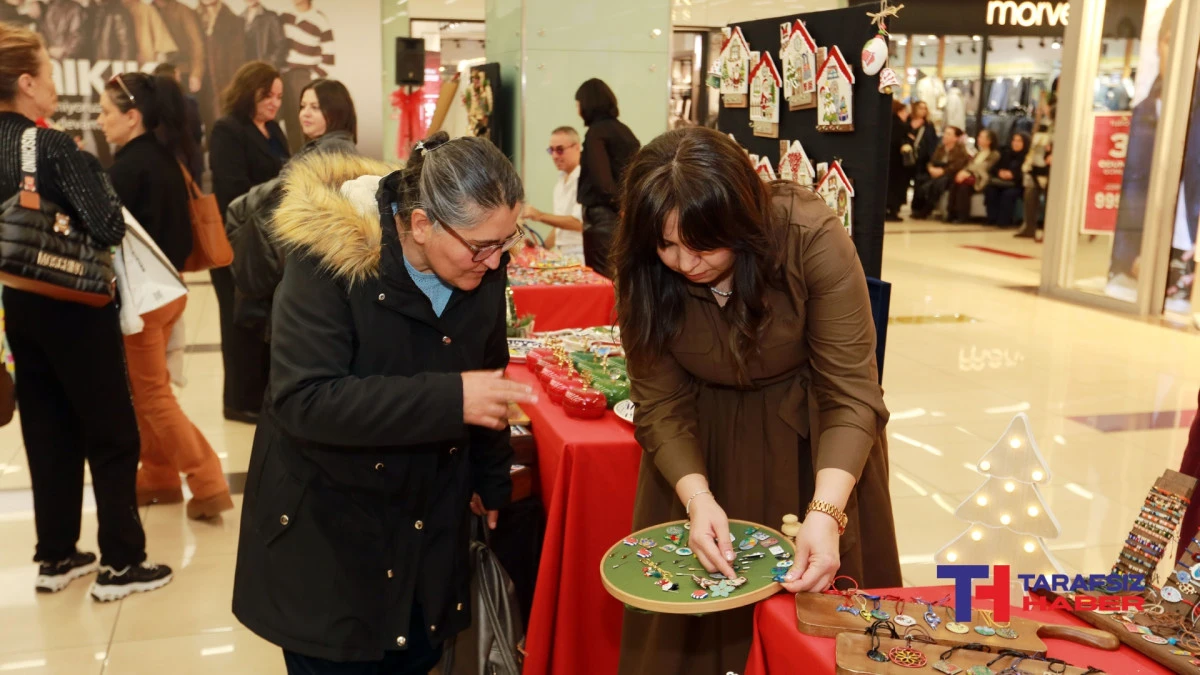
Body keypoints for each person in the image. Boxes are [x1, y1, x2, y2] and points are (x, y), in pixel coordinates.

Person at [232, 131, 534, 673]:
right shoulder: (328, 257)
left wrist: (490, 480)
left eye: (506, 242)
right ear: (421, 224)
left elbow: (487, 372)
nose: (494, 262)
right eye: (481, 246)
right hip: (331, 543)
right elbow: (304, 399)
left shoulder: (478, 254)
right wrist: (451, 397)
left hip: (427, 534)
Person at [613, 127, 899, 673]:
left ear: (742, 220)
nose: (685, 263)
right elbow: (661, 406)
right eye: (667, 244)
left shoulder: (806, 231)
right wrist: (697, 500)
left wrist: (826, 512)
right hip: (698, 453)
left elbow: (850, 393)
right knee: (692, 630)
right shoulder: (644, 265)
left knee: (820, 630)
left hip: (814, 448)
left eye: (702, 244)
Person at [0, 22, 172, 601]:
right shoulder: (50, 146)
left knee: (46, 424)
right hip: (74, 304)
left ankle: (56, 555)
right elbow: (105, 225)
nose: (53, 83)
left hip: (17, 298)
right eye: (48, 72)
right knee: (111, 429)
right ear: (26, 82)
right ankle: (121, 563)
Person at [99, 72, 235, 521]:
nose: (100, 121)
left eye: (105, 112)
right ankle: (158, 474)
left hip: (142, 299)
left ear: (132, 116)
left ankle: (207, 476)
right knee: (147, 390)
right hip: (167, 289)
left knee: (152, 394)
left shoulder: (127, 169)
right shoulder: (166, 159)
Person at [225, 77, 358, 343]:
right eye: (302, 106)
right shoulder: (333, 148)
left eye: (315, 107)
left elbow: (282, 202)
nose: (305, 113)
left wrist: (242, 205)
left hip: (305, 276)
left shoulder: (327, 154)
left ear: (336, 112)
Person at [209, 61, 287, 424]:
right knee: (237, 322)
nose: (274, 103)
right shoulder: (228, 129)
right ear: (248, 92)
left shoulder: (273, 130)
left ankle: (260, 395)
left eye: (278, 97)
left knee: (262, 322)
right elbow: (231, 189)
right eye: (267, 95)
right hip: (238, 242)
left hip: (269, 242)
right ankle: (238, 401)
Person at [575, 78, 639, 278]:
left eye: (578, 103)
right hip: (623, 213)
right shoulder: (624, 131)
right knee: (619, 275)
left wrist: (619, 204)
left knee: (601, 278)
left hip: (603, 215)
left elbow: (600, 178)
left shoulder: (596, 133)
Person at [279, 0, 335, 152]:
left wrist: (311, 82)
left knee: (303, 125)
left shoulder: (319, 20)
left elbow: (329, 57)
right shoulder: (284, 16)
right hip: (282, 75)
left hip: (302, 76)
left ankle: (306, 163)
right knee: (288, 123)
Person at [524, 125, 584, 258]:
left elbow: (578, 223)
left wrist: (539, 215)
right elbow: (560, 227)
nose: (555, 156)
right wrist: (541, 249)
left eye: (560, 150)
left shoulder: (586, 179)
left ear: (577, 147)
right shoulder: (560, 181)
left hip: (584, 253)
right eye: (552, 150)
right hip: (564, 252)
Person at [196, 0, 244, 136]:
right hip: (202, 82)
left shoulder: (233, 20)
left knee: (225, 123)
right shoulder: (194, 17)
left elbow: (238, 57)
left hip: (225, 81)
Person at [152, 62, 204, 181]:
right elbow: (197, 134)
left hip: (164, 165)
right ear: (175, 77)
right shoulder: (190, 103)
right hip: (189, 160)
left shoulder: (149, 106)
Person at [911, 126, 970, 220]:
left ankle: (927, 208)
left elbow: (957, 165)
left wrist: (943, 171)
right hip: (936, 171)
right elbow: (932, 161)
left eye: (948, 134)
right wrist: (931, 168)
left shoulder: (960, 150)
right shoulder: (940, 148)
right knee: (920, 179)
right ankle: (917, 207)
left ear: (955, 138)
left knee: (939, 183)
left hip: (949, 174)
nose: (945, 136)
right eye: (945, 133)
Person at [946, 129, 1000, 224]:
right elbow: (969, 165)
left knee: (964, 187)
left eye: (981, 137)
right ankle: (951, 213)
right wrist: (963, 171)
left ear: (989, 141)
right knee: (955, 183)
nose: (979, 139)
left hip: (980, 179)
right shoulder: (978, 153)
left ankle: (962, 216)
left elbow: (984, 167)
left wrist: (969, 172)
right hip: (969, 176)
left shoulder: (994, 154)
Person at [153, 0, 206, 96]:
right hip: (155, 73)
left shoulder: (183, 11)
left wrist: (196, 73)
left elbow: (196, 44)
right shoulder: (149, 9)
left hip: (181, 72)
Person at [1016, 107, 1053, 239]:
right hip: (1036, 164)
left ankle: (1048, 231)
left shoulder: (1064, 127)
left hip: (1051, 167)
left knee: (1051, 199)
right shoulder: (1043, 125)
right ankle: (1028, 226)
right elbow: (1035, 145)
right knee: (1030, 194)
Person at [984, 132, 1029, 227]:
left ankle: (1003, 222)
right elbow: (993, 168)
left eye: (1019, 141)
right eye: (1014, 140)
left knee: (1008, 194)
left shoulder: (1026, 157)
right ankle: (992, 219)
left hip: (1017, 185)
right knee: (990, 190)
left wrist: (1013, 175)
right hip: (1001, 182)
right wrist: (1000, 172)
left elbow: (1026, 172)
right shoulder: (1006, 154)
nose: (1015, 143)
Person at [242, 0, 288, 71]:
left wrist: (271, 64)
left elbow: (282, 44)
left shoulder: (271, 17)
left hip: (265, 70)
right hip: (247, 70)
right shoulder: (240, 18)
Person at [885, 100, 911, 221]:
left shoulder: (885, 123)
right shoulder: (900, 125)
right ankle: (893, 210)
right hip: (898, 163)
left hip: (887, 162)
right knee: (896, 187)